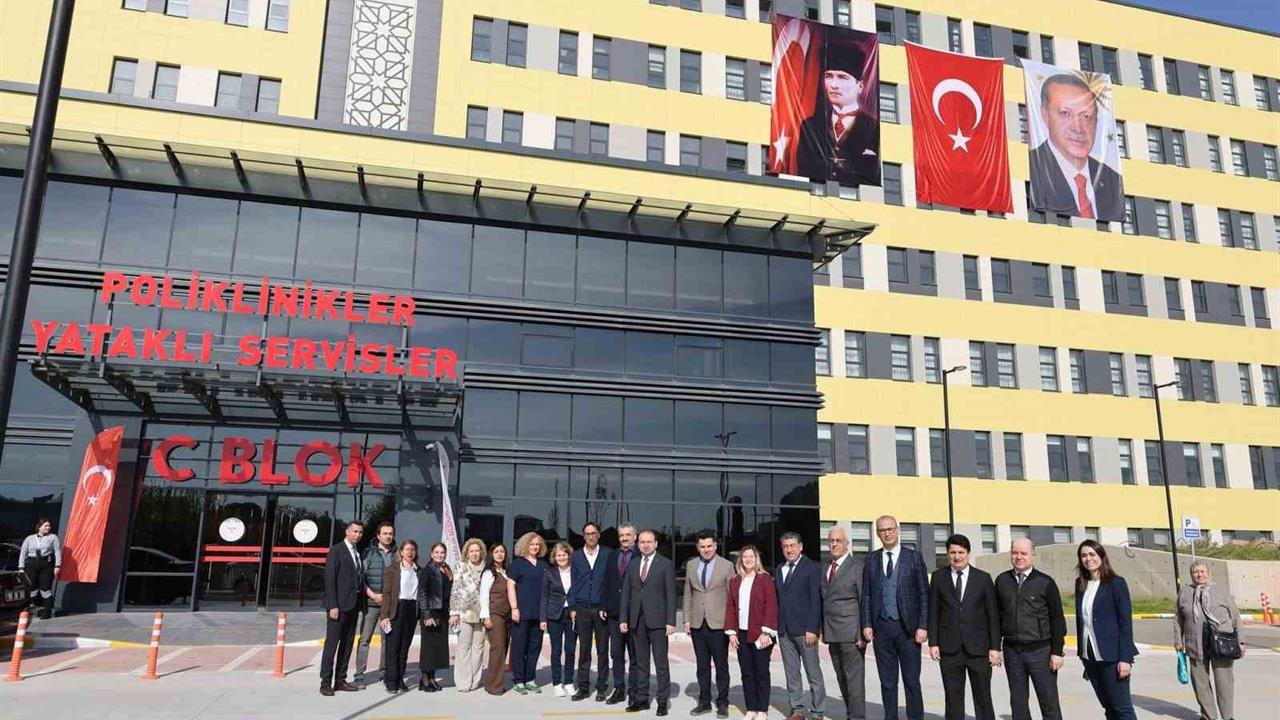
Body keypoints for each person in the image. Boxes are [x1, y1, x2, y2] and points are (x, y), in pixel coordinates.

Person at [1028, 73, 1124, 220]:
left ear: (1096, 121)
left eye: (1086, 116)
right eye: (1065, 113)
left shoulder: (1112, 180)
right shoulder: (1033, 165)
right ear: (1045, 115)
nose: (1078, 128)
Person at [860, 515, 929, 720]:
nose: (887, 533)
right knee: (887, 682)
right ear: (877, 533)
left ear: (897, 530)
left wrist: (923, 625)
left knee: (911, 681)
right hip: (882, 629)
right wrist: (866, 624)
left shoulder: (914, 557)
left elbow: (924, 593)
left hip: (908, 629)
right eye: (882, 530)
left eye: (890, 529)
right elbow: (867, 594)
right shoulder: (871, 559)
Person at [927, 534, 1000, 720]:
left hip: (979, 649)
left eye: (961, 552)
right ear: (947, 554)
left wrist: (995, 647)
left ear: (968, 553)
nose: (957, 556)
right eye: (953, 552)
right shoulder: (938, 577)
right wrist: (933, 642)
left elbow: (993, 616)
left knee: (983, 697)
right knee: (953, 698)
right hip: (949, 648)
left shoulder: (983, 578)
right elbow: (933, 612)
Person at [995, 538, 1067, 720]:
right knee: (1018, 703)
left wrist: (1057, 651)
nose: (1018, 557)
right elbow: (996, 617)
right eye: (1015, 553)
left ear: (1033, 555)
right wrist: (995, 647)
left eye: (1023, 553)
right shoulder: (1002, 580)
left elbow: (1057, 619)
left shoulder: (1045, 582)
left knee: (1048, 701)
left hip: (1040, 652)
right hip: (1012, 651)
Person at [794, 41, 880, 186]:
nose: (834, 85)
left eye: (842, 77)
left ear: (859, 86)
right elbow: (803, 169)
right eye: (828, 76)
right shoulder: (810, 126)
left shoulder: (873, 128)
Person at [1075, 541, 1137, 720]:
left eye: (1092, 554)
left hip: (1112, 656)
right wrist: (1082, 653)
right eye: (1084, 555)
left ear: (1101, 556)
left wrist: (1125, 658)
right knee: (1108, 706)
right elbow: (1082, 620)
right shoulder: (1080, 583)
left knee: (1122, 708)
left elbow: (1125, 623)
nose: (1088, 559)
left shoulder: (1116, 583)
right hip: (1089, 655)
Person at [1175, 560, 1244, 720]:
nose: (1199, 575)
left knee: (1224, 683)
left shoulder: (1221, 591)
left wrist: (1241, 640)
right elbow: (1178, 619)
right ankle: (1208, 716)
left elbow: (1235, 617)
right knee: (1200, 683)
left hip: (1222, 642)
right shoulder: (1185, 592)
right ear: (1191, 574)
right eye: (1196, 572)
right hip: (1195, 643)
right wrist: (1178, 640)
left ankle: (1228, 716)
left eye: (1203, 571)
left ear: (1208, 573)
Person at [619, 528, 676, 716]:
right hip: (637, 620)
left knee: (661, 664)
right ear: (638, 544)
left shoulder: (665, 564)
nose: (645, 545)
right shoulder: (633, 564)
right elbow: (626, 593)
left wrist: (670, 621)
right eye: (642, 542)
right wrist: (624, 618)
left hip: (658, 621)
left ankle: (662, 701)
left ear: (656, 544)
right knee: (641, 663)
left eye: (649, 542)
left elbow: (671, 594)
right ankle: (642, 699)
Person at [682, 530, 734, 718]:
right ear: (698, 547)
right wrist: (686, 619)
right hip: (698, 623)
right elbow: (688, 593)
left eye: (709, 546)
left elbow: (732, 596)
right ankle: (704, 702)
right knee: (702, 666)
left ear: (715, 545)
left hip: (719, 624)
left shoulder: (727, 566)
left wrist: (731, 624)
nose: (706, 550)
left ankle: (723, 703)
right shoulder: (691, 565)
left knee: (721, 666)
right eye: (702, 547)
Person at [775, 532, 825, 720]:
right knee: (792, 674)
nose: (789, 550)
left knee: (813, 673)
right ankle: (797, 709)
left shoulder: (812, 568)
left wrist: (813, 629)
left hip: (806, 631)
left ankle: (818, 711)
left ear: (800, 547)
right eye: (785, 546)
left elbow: (816, 601)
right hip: (785, 632)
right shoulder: (779, 569)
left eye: (792, 545)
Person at [725, 544, 777, 720]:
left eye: (751, 557)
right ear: (740, 560)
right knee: (746, 673)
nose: (748, 560)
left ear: (756, 559)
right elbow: (731, 607)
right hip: (742, 633)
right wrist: (732, 632)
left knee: (761, 672)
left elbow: (771, 606)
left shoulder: (765, 579)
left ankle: (762, 709)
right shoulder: (735, 581)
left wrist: (766, 632)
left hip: (760, 634)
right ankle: (751, 708)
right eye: (745, 557)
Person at [821, 526, 866, 720]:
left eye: (838, 541)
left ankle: (857, 717)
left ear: (846, 544)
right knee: (841, 677)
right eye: (831, 541)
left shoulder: (857, 567)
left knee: (854, 680)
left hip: (851, 632)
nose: (834, 544)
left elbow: (863, 600)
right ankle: (851, 713)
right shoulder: (826, 567)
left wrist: (861, 633)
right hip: (831, 632)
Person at [320, 520, 366, 696]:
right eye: (355, 531)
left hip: (353, 606)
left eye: (360, 532)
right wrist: (333, 605)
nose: (358, 535)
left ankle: (340, 680)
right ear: (347, 532)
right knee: (332, 645)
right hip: (338, 607)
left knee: (347, 645)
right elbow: (330, 579)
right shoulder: (336, 550)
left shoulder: (357, 553)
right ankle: (325, 682)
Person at [570, 521, 613, 702]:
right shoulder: (576, 556)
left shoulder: (608, 554)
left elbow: (611, 582)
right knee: (584, 650)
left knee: (602, 650)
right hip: (582, 609)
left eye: (593, 533)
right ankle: (583, 687)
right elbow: (573, 582)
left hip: (601, 609)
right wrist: (573, 607)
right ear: (583, 536)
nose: (590, 536)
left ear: (599, 535)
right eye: (587, 533)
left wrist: (607, 605)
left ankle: (602, 687)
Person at [603, 522, 639, 705]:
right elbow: (606, 581)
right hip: (614, 612)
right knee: (616, 653)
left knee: (635, 654)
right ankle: (619, 688)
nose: (624, 538)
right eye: (621, 535)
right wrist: (603, 605)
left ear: (635, 536)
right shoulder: (612, 555)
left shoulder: (641, 555)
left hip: (635, 613)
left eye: (628, 535)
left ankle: (634, 690)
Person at [356, 522, 396, 687]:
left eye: (390, 533)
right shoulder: (368, 553)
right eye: (385, 533)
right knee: (365, 640)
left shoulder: (397, 555)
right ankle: (359, 674)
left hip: (389, 607)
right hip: (371, 605)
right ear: (378, 536)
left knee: (387, 641)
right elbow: (361, 578)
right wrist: (373, 595)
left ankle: (383, 672)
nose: (388, 536)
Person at [377, 539, 420, 694]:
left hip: (411, 610)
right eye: (407, 549)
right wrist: (384, 616)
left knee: (404, 648)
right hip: (397, 609)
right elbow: (387, 594)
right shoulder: (392, 570)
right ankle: (391, 681)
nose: (410, 552)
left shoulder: (419, 570)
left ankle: (400, 679)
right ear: (401, 552)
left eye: (412, 550)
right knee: (393, 647)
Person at [509, 531, 549, 694]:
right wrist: (514, 608)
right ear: (525, 545)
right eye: (532, 544)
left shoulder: (544, 565)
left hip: (538, 613)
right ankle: (518, 680)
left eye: (538, 544)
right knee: (519, 647)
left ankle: (530, 678)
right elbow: (510, 586)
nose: (535, 547)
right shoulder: (517, 564)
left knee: (535, 647)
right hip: (521, 612)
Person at [450, 538, 489, 692]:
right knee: (464, 647)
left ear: (481, 552)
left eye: (477, 550)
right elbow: (455, 590)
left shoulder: (487, 567)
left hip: (482, 613)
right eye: (471, 551)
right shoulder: (460, 567)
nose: (474, 553)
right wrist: (454, 612)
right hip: (465, 613)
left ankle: (475, 680)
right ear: (467, 553)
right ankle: (463, 681)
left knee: (478, 647)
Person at [542, 541, 577, 697]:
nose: (561, 557)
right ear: (554, 557)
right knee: (556, 650)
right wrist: (543, 618)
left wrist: (575, 608)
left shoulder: (576, 571)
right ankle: (557, 682)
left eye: (564, 554)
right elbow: (544, 595)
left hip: (572, 614)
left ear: (569, 555)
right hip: (554, 615)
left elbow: (579, 592)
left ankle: (569, 682)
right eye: (558, 555)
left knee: (570, 650)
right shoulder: (549, 573)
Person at [481, 542, 515, 696]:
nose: (500, 554)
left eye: (502, 551)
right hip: (495, 615)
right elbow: (483, 596)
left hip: (507, 616)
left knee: (503, 648)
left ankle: (494, 682)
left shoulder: (507, 572)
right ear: (491, 555)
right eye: (496, 552)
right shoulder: (489, 573)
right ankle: (494, 687)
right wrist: (485, 617)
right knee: (498, 649)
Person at [418, 542, 452, 692]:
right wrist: (426, 615)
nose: (440, 555)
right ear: (431, 554)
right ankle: (425, 680)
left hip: (442, 613)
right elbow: (422, 593)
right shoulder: (427, 570)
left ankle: (432, 678)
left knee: (437, 649)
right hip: (431, 613)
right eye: (437, 552)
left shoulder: (446, 569)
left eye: (442, 552)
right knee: (428, 648)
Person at [19, 519, 61, 619]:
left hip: (46, 565)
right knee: (32, 588)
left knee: (45, 588)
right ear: (39, 527)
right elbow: (23, 553)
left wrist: (57, 566)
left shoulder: (53, 537)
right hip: (32, 564)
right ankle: (37, 609)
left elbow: (57, 552)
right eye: (46, 526)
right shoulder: (29, 538)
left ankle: (47, 612)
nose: (48, 527)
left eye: (49, 526)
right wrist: (21, 567)